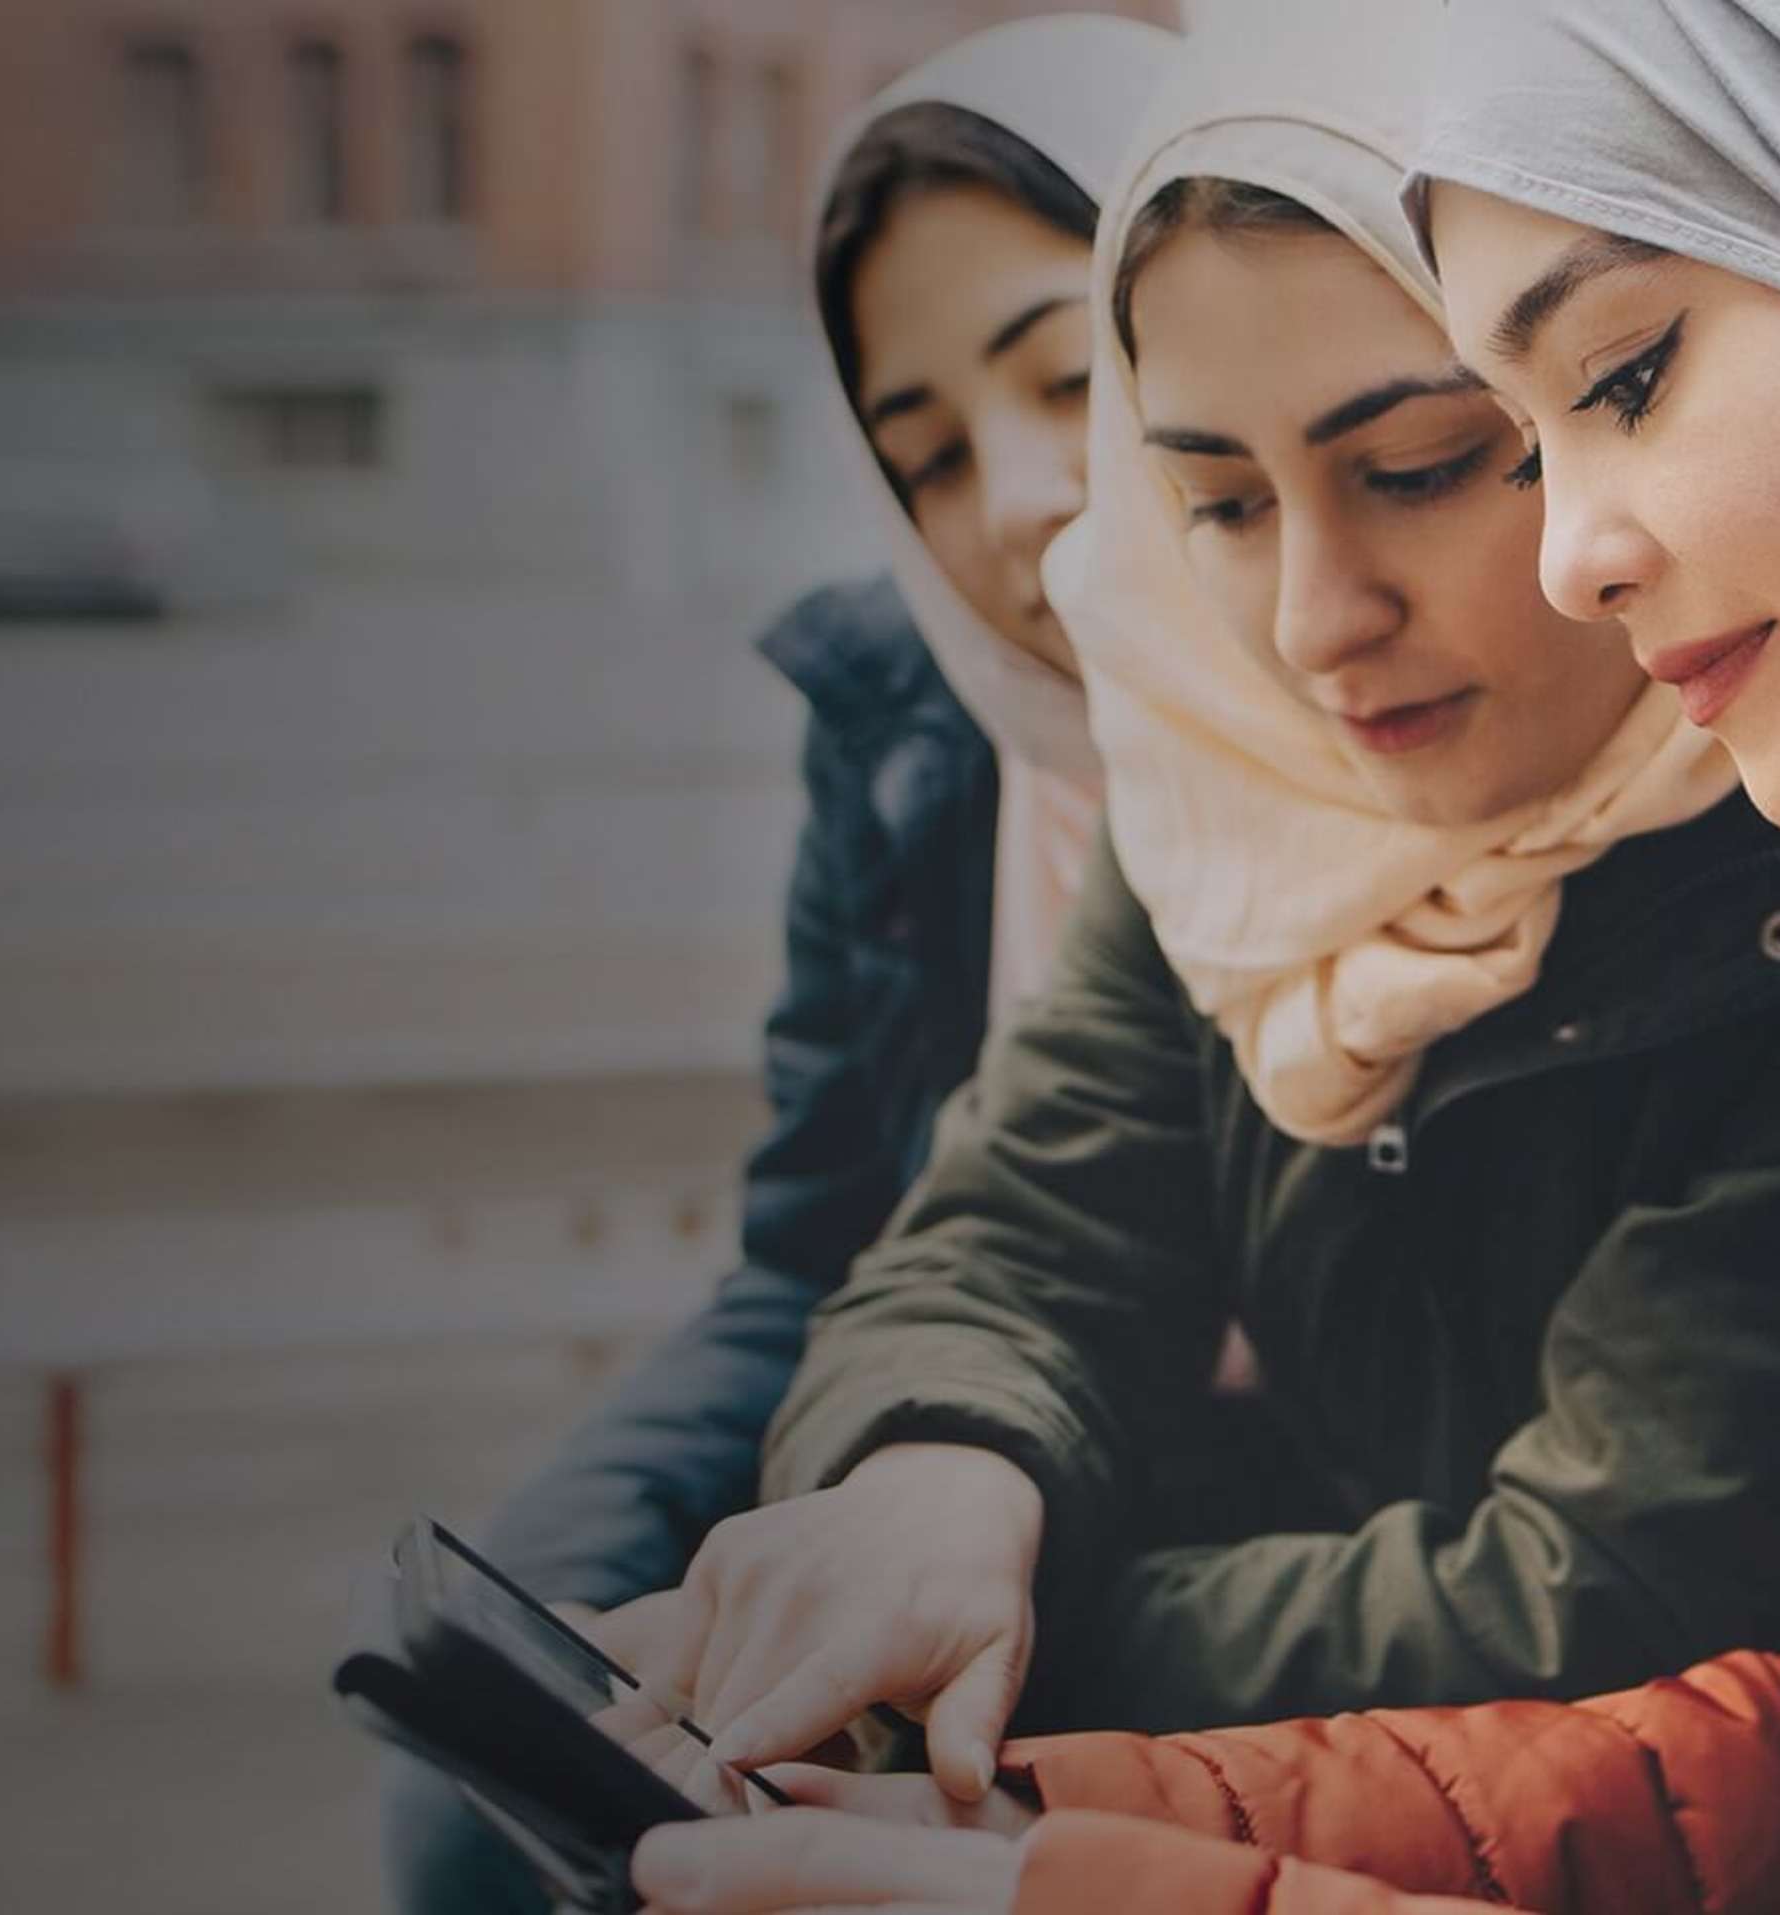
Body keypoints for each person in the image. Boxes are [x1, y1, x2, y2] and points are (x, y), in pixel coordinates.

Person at [634, 2, 1780, 1910]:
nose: (1319, 623)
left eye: (1427, 458)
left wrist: (1007, 1662)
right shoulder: (1237, 806)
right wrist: (937, 1488)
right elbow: (1013, 1232)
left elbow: (1631, 1586)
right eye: (1220, 508)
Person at [380, 17, 1175, 1912]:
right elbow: (821, 1237)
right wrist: (588, 1556)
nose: (1013, 505)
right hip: (920, 1405)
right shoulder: (903, 713)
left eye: (1068, 378)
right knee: (497, 1753)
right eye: (923, 457)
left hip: (1161, 1514)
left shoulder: (1417, 724)